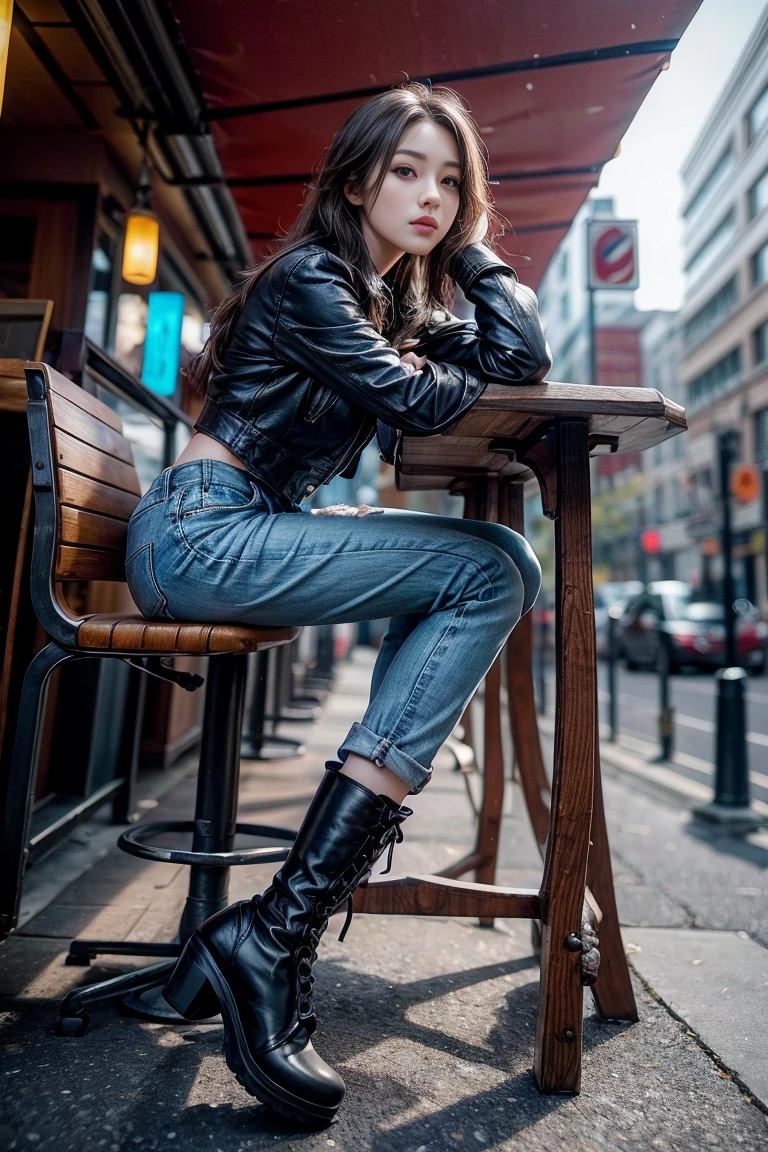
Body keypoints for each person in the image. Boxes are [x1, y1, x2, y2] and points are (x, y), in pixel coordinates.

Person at [125, 81, 550, 1124]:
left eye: (452, 182)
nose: (431, 196)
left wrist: (470, 260)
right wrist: (423, 356)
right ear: (356, 180)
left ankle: (255, 942)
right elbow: (418, 400)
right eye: (407, 171)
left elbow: (519, 360)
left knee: (490, 563)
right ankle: (273, 935)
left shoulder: (384, 300)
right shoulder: (314, 280)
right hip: (203, 535)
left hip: (236, 530)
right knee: (488, 567)